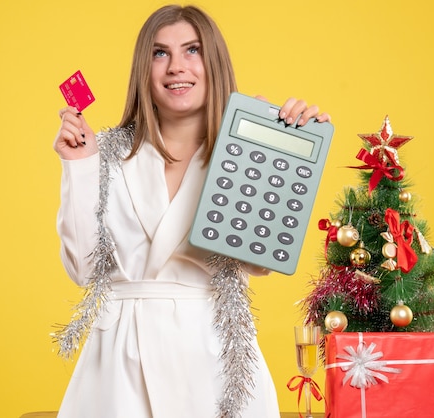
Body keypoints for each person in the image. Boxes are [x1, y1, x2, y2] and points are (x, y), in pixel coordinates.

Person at [52, 4, 331, 418]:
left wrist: (271, 147)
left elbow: (260, 261)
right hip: (118, 367)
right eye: (159, 53)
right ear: (143, 69)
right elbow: (84, 270)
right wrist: (80, 166)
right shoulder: (106, 152)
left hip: (215, 360)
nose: (175, 67)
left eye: (192, 50)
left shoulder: (243, 151)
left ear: (213, 62)